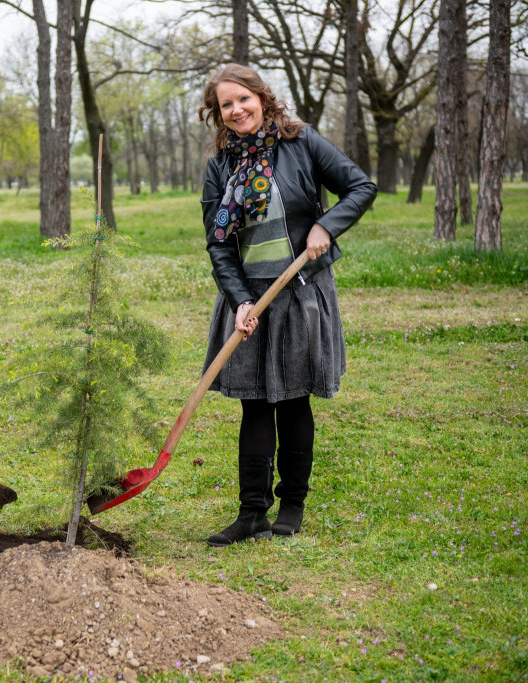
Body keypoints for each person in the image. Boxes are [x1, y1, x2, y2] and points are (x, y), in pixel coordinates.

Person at [198, 65, 377, 547]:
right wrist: (238, 300)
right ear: (218, 113)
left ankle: (292, 504)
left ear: (262, 96)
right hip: (250, 298)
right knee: (254, 405)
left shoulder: (301, 142)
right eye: (225, 105)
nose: (236, 110)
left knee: (294, 400)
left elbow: (360, 187)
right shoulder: (220, 166)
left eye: (243, 99)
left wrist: (327, 225)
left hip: (298, 291)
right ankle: (252, 512)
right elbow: (218, 243)